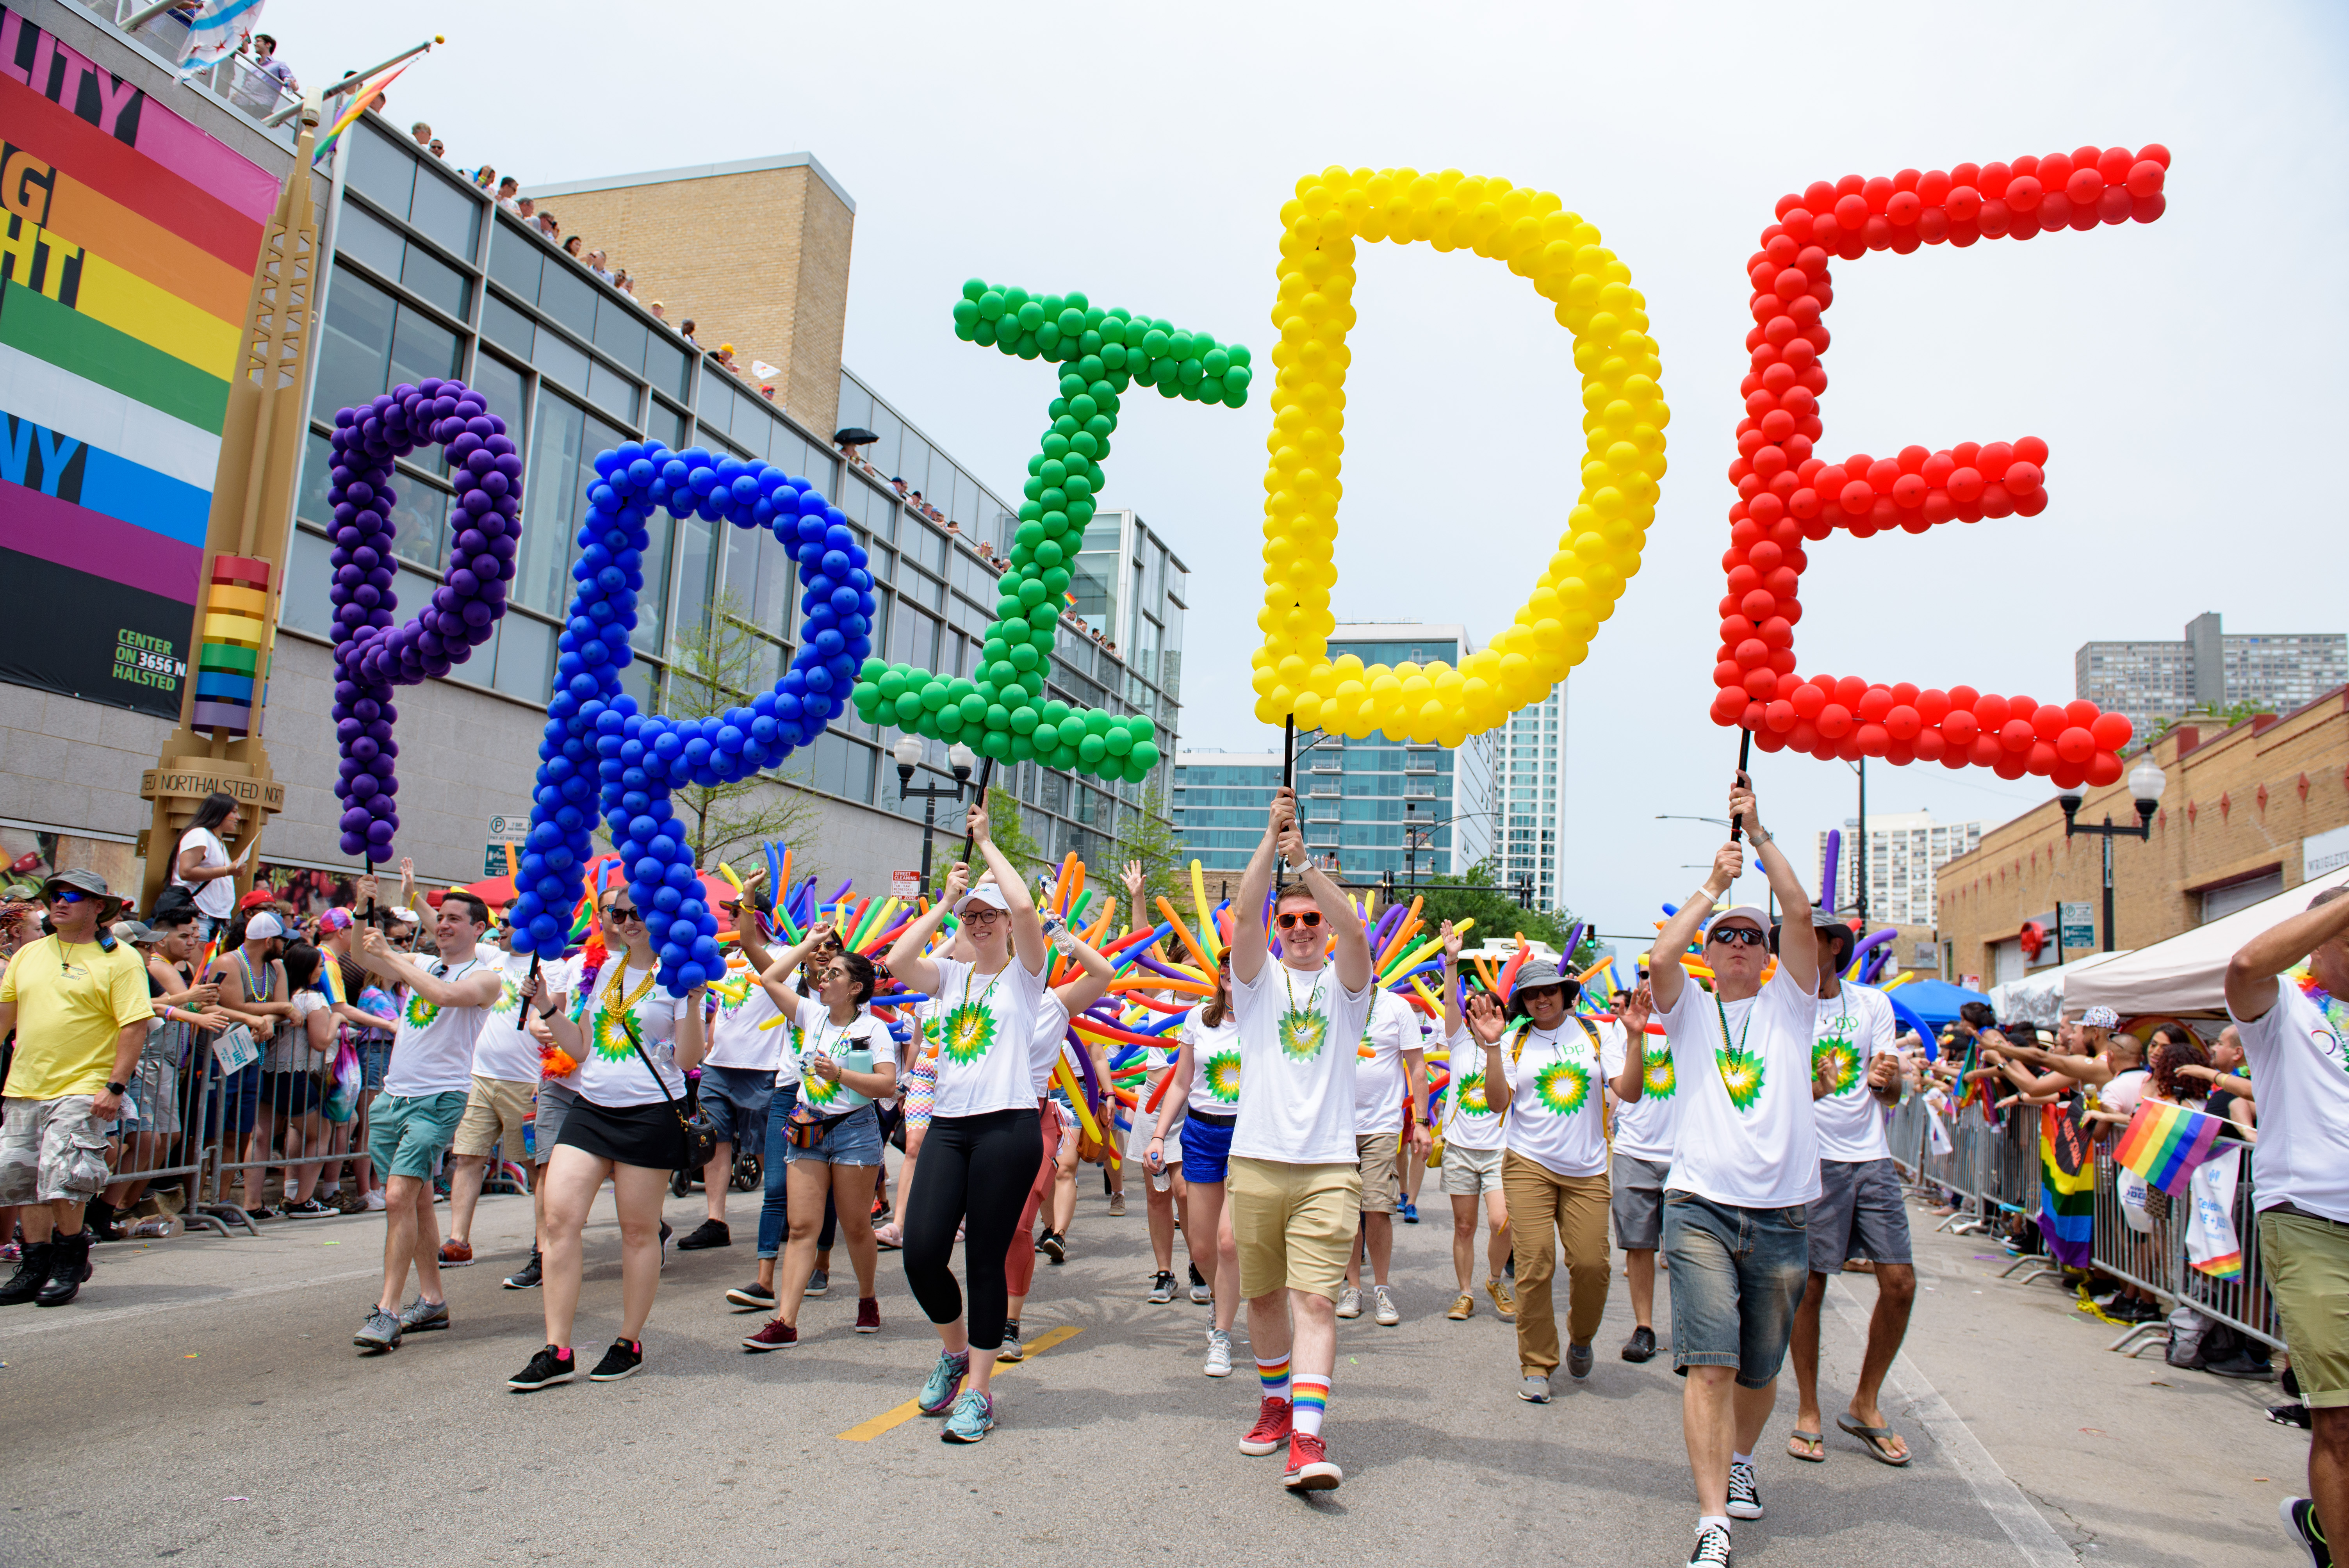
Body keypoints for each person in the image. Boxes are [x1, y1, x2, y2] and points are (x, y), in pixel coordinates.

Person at [1646, 772, 1819, 1568]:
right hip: (1699, 1205)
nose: (1741, 944)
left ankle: (1742, 1458)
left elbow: (1799, 911)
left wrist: (1757, 837)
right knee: (1710, 1362)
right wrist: (1713, 886)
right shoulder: (1687, 1011)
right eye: (1729, 935)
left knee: (1759, 1367)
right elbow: (1658, 954)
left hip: (1782, 1212)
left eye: (1752, 936)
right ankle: (1710, 1518)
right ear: (1713, 952)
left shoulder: (1792, 1005)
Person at [880, 803, 1051, 1445]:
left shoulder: (1025, 977)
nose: (978, 923)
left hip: (1008, 1128)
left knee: (983, 1257)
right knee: (922, 1253)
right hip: (950, 1127)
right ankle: (954, 1351)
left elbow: (1030, 911)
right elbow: (898, 962)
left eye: (988, 914)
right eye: (970, 917)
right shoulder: (949, 975)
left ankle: (979, 1390)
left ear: (1005, 922)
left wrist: (986, 846)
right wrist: (946, 899)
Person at [1225, 784, 1375, 1492]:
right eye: (1290, 919)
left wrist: (1307, 864)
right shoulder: (1256, 984)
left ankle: (1308, 1441)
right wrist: (1268, 838)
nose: (1303, 927)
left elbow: (1356, 930)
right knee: (1261, 1298)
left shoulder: (1350, 988)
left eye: (1311, 918)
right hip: (1256, 1161)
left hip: (1327, 1169)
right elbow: (1242, 922)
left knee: (1314, 1300)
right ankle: (1276, 1404)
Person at [508, 884, 708, 1389]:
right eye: (620, 913)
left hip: (650, 1115)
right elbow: (580, 1048)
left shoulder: (680, 977)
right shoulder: (606, 970)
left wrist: (694, 999)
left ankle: (629, 1341)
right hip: (591, 1109)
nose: (628, 920)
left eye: (638, 912)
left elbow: (689, 1062)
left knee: (638, 1232)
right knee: (559, 1222)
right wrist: (550, 1011)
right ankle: (557, 1349)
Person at [2224, 884, 2349, 1565]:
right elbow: (2244, 967)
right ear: (2315, 941)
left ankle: (2326, 1522)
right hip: (2311, 1223)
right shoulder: (2284, 1010)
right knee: (2340, 1415)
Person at [1468, 957, 1644, 1401]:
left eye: (1549, 989)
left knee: (1591, 1265)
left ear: (1567, 993)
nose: (1541, 998)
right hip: (1528, 1163)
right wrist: (1491, 1048)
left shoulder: (1598, 1034)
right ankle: (1536, 1362)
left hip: (1587, 1168)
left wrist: (1637, 1037)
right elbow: (1495, 1103)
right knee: (1535, 1262)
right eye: (1530, 993)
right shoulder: (1513, 1040)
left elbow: (1631, 1091)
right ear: (1523, 1001)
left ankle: (1581, 1337)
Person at [1785, 907, 1914, 1467]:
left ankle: (1865, 1402)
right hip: (1812, 1163)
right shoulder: (1781, 1009)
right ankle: (1809, 1409)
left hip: (1871, 1159)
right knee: (1810, 1288)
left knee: (1900, 1283)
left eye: (1806, 938)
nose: (1796, 947)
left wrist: (1890, 1084)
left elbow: (1889, 1094)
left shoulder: (1872, 1005)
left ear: (1833, 946)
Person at [348, 893, 502, 1352]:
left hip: (439, 1098)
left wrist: (391, 955)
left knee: (397, 1198)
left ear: (478, 928)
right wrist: (362, 912)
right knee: (413, 1202)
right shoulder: (421, 961)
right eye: (442, 918)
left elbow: (443, 995)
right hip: (393, 1096)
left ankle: (388, 1310)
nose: (445, 925)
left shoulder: (484, 977)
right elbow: (359, 954)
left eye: (456, 919)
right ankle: (433, 1299)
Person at [0, 871, 153, 1306]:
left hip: (83, 1086)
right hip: (26, 1085)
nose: (59, 902)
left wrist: (115, 1086)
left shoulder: (120, 958)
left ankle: (70, 1258)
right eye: (54, 896)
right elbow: (4, 1017)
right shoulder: (27, 955)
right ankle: (35, 1263)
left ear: (97, 907)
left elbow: (134, 1025)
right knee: (23, 1176)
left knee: (64, 1177)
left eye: (71, 896)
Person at [741, 924, 898, 1349]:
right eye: (823, 973)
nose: (824, 978)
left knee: (856, 1226)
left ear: (855, 988)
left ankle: (867, 1298)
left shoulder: (875, 1029)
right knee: (802, 1226)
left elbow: (887, 1086)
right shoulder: (811, 1014)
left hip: (854, 1132)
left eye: (835, 975)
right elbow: (770, 978)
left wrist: (841, 1074)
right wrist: (808, 944)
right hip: (808, 1127)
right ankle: (785, 1321)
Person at [999, 910, 1115, 1360]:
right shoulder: (980, 995)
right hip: (975, 1123)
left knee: (1018, 1225)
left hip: (1034, 1119)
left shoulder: (1055, 1002)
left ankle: (1009, 1323)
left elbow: (1102, 973)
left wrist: (1060, 934)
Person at [1151, 951, 1246, 1374]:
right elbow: (1182, 1081)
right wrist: (1158, 1133)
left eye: (1240, 963)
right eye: (1224, 965)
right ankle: (1222, 1302)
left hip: (1249, 1137)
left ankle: (1222, 1334)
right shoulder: (1198, 1019)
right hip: (1202, 1134)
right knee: (1203, 1247)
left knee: (1229, 1242)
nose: (1230, 971)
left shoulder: (1265, 1018)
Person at [702, 891, 793, 1296]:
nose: (732, 918)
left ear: (757, 917)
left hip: (761, 1066)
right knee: (714, 1138)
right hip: (718, 1063)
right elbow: (720, 1005)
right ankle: (715, 1220)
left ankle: (785, 1208)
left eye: (738, 912)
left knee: (763, 1147)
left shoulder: (783, 955)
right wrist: (709, 1045)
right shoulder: (726, 956)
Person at [440, 929, 547, 1266]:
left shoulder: (553, 966)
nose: (499, 928)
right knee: (468, 1157)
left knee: (535, 1167)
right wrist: (413, 896)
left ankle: (545, 1243)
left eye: (508, 922)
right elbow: (448, 932)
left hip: (526, 1083)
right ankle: (459, 1242)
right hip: (481, 1079)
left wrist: (545, 1076)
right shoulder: (493, 958)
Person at [1431, 924, 1511, 1323]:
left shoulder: (1512, 1049)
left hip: (1499, 1149)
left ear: (1500, 1013)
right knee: (1464, 1225)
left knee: (1501, 1221)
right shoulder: (1459, 1040)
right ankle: (1465, 1292)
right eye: (1473, 1007)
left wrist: (1494, 1043)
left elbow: (1506, 1098)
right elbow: (1448, 1001)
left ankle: (1495, 1279)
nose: (1479, 1012)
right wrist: (1450, 959)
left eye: (1488, 1006)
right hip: (1461, 1147)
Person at [1338, 978, 1429, 1326]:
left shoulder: (1396, 1007)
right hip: (1336, 1124)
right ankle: (1353, 1287)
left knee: (1377, 1207)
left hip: (1381, 1124)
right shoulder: (1330, 998)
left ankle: (1381, 1288)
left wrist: (1421, 1121)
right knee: (1347, 1209)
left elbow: (1417, 1066)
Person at [1610, 969, 1683, 1362]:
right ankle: (1644, 1326)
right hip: (1635, 1150)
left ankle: (1692, 1329)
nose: (1652, 987)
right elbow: (1626, 1090)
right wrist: (1635, 1034)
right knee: (1639, 1245)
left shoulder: (1694, 1020)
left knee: (1687, 1248)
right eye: (1647, 980)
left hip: (1687, 1153)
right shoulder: (1618, 1031)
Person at [204, 911, 292, 1216]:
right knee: (209, 1132)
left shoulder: (277, 967)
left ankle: (222, 1200)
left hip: (252, 1058)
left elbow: (282, 1013)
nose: (285, 946)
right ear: (269, 940)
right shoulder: (229, 962)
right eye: (282, 940)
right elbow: (233, 1006)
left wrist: (268, 1017)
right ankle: (200, 1199)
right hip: (221, 1057)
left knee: (239, 1132)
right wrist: (277, 1009)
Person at [258, 943, 339, 1219]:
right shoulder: (313, 1000)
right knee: (321, 1133)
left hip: (268, 1072)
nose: (323, 970)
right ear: (308, 969)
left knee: (262, 1138)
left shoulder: (279, 997)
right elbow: (321, 1042)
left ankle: (256, 1202)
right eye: (319, 965)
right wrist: (337, 1020)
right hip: (296, 1075)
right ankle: (302, 1200)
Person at [170, 792, 244, 940]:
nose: (239, 817)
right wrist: (228, 871)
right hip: (199, 915)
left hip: (214, 917)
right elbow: (186, 871)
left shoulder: (216, 840)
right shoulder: (199, 834)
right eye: (234, 812)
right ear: (219, 812)